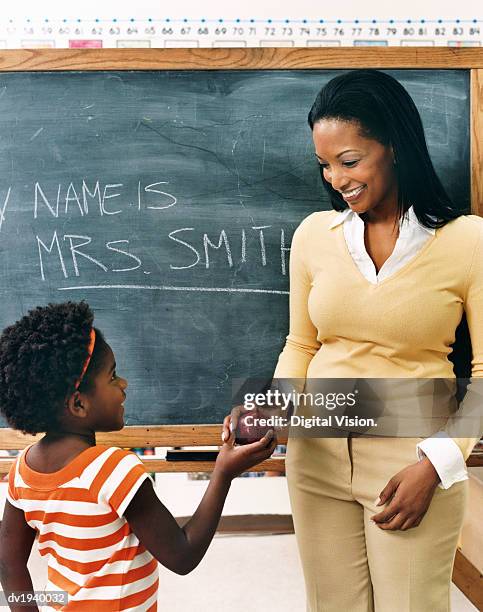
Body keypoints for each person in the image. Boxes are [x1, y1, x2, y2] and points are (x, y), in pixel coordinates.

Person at [225, 69, 483, 611]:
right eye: (325, 165)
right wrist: (269, 407)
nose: (336, 180)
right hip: (315, 457)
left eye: (349, 161)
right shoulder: (314, 236)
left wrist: (434, 466)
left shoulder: (468, 243)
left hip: (410, 461)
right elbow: (301, 346)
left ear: (394, 146)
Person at [0, 301, 276, 611]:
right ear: (79, 404)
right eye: (113, 376)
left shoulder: (22, 471)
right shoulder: (113, 470)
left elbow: (9, 566)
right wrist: (223, 474)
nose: (124, 384)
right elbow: (182, 555)